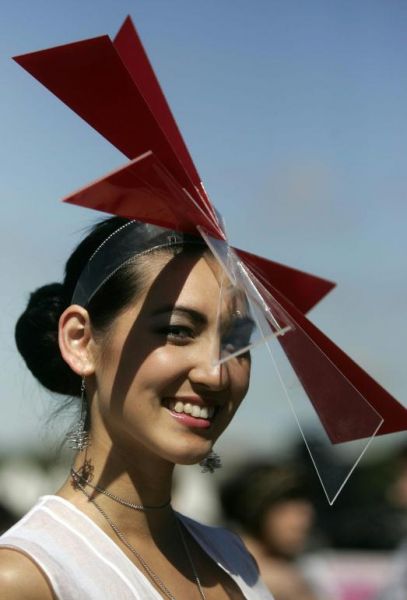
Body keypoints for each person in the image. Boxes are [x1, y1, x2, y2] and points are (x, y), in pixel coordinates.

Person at [0, 217, 273, 599]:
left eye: (237, 341)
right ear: (81, 341)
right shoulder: (26, 577)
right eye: (178, 330)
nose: (216, 375)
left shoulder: (233, 557)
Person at [220, 462, 321, 600]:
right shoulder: (281, 582)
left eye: (304, 510)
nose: (302, 521)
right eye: (285, 510)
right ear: (256, 513)